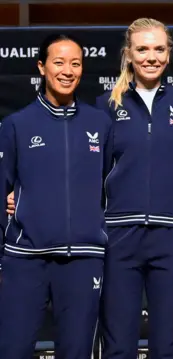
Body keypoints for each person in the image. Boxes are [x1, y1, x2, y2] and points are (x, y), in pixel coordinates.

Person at [0, 33, 112, 359]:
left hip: (84, 259)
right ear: (41, 67)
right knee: (12, 350)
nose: (67, 70)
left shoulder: (100, 124)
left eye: (75, 63)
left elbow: (107, 183)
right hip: (25, 260)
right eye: (59, 62)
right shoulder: (16, 125)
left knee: (77, 352)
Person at [96, 18, 173, 359]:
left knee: (167, 342)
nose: (150, 57)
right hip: (120, 232)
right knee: (118, 342)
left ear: (168, 55)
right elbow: (86, 168)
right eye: (142, 49)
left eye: (158, 49)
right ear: (128, 55)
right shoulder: (105, 105)